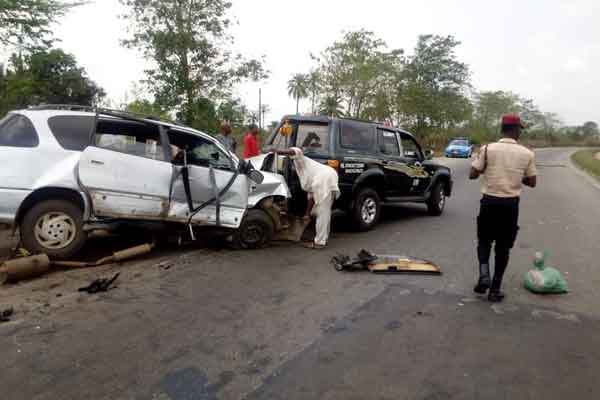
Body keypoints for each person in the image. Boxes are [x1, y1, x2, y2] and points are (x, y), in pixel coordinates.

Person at [469, 113, 537, 302]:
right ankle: (495, 289)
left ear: (502, 129)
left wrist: (482, 165)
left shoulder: (488, 149)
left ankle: (484, 275)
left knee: (484, 240)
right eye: (520, 129)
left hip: (489, 202)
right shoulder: (527, 153)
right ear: (516, 130)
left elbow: (472, 174)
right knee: (503, 247)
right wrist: (516, 175)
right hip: (510, 206)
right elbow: (532, 182)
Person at [277, 147, 340, 249]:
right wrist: (307, 214)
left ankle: (319, 242)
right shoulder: (304, 171)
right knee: (325, 211)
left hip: (324, 179)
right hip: (329, 176)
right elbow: (310, 196)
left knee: (321, 212)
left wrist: (278, 151)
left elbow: (295, 151)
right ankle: (323, 238)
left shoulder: (301, 159)